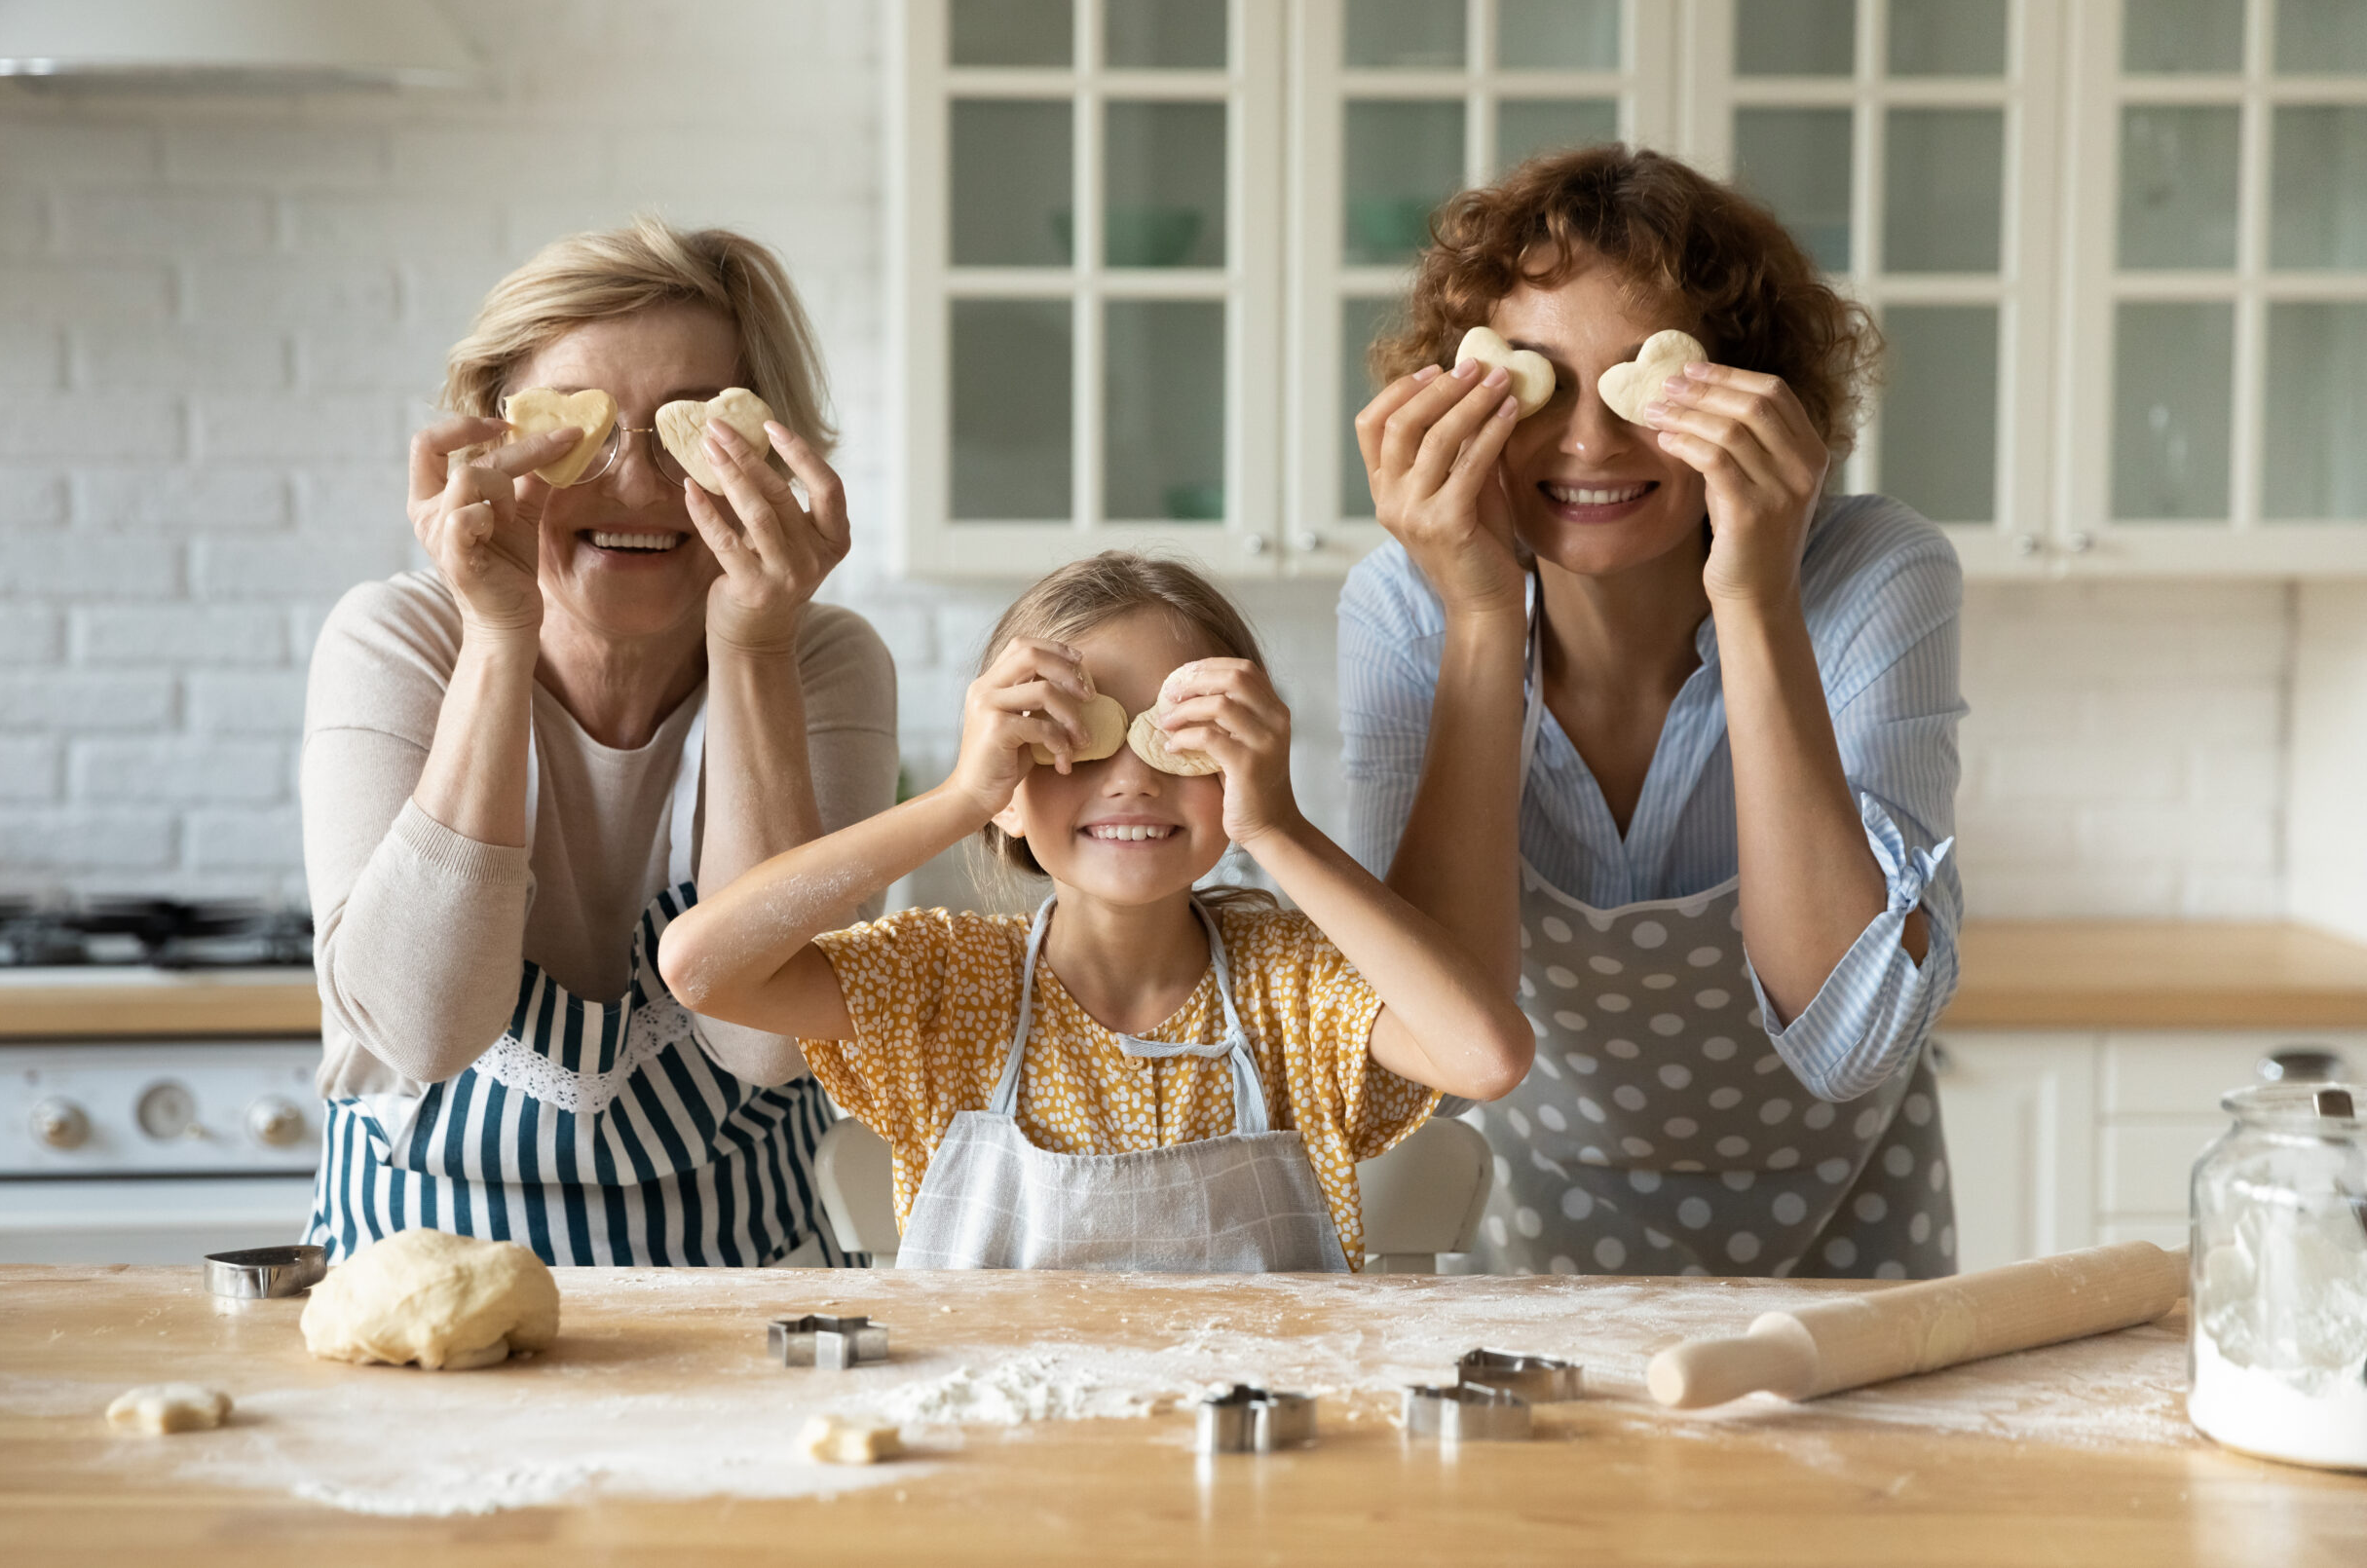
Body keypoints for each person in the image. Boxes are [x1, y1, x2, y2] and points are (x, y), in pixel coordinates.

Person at [1341, 145, 1966, 1279]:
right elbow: (1426, 1059)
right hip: (1530, 1257)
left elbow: (1850, 1040)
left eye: (1647, 379)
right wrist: (1484, 618)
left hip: (1849, 1263)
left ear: (1757, 390)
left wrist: (1755, 592)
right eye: (1532, 380)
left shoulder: (1875, 572)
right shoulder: (1405, 604)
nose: (1588, 440)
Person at [658, 554, 1532, 1272]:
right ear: (1011, 784)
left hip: (1247, 1459)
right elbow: (700, 965)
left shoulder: (1293, 982)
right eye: (1076, 737)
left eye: (1179, 735)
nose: (1132, 777)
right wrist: (961, 795)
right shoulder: (946, 984)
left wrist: (1278, 824)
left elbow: (1486, 1055)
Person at [300, 217, 895, 1265]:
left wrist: (752, 647)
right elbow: (423, 1030)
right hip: (410, 1288)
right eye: (578, 430)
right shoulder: (396, 642)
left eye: (686, 430)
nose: (634, 482)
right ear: (491, 448)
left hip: (743, 1302)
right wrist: (496, 633)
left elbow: (766, 1043)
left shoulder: (822, 663)